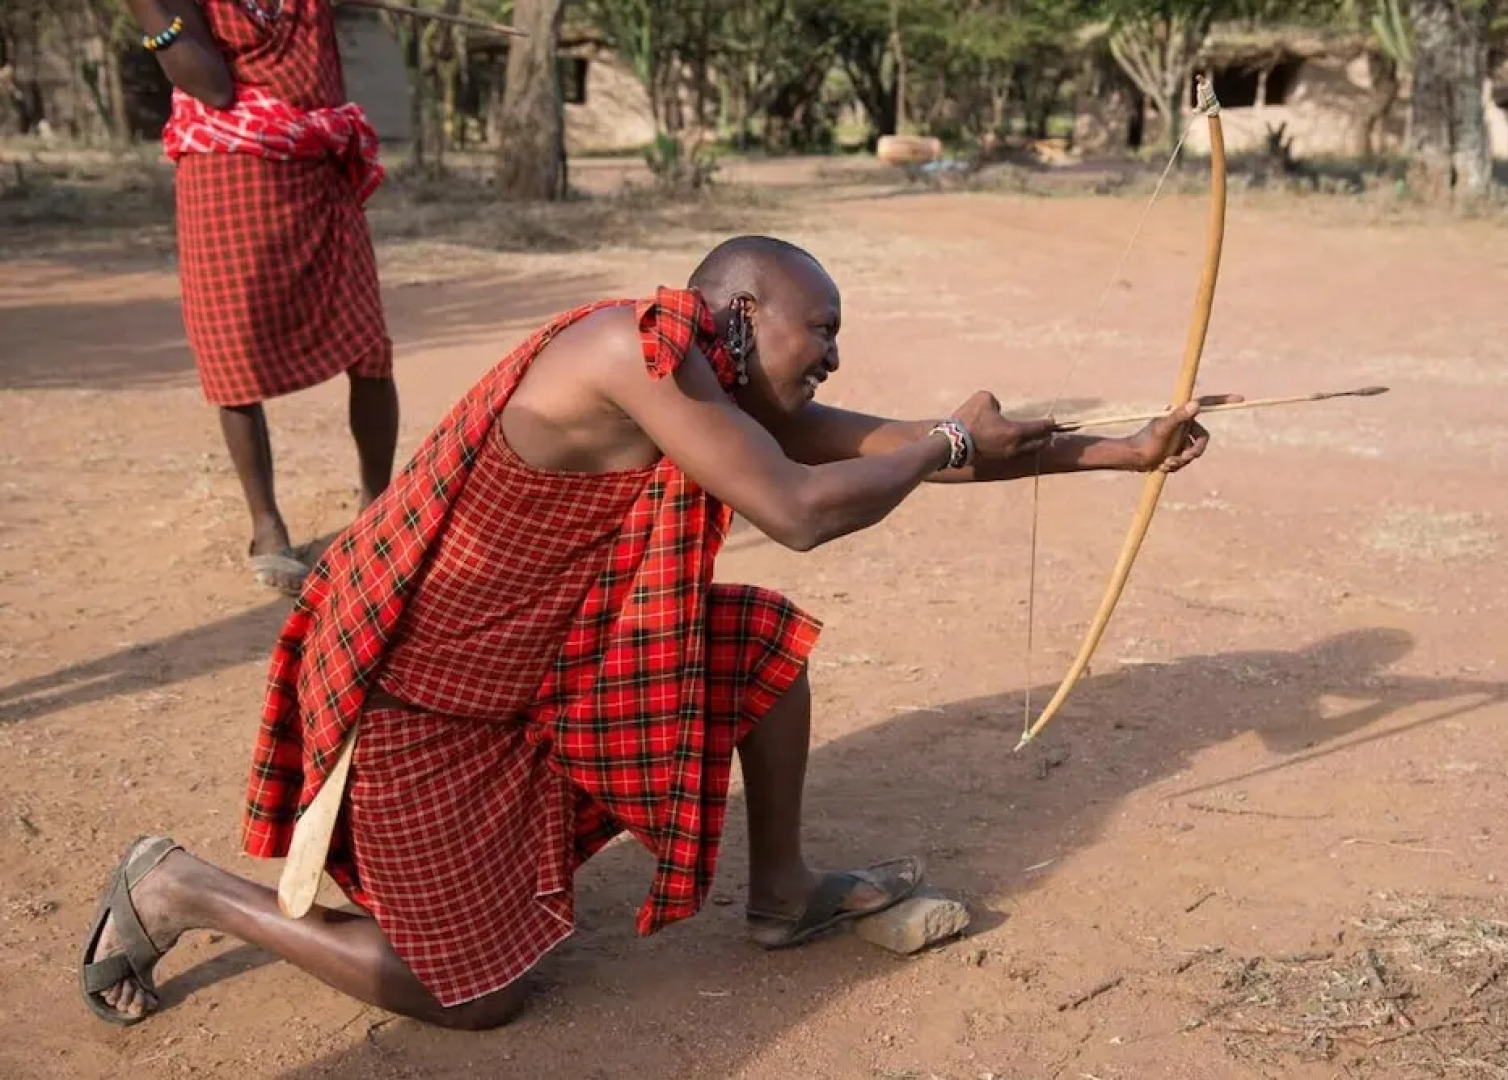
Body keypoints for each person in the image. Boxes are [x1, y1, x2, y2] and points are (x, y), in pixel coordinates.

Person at [78, 236, 1229, 1031]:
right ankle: (183, 888)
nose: (830, 358)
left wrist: (1122, 452)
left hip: (539, 679)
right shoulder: (635, 355)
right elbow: (806, 506)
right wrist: (946, 444)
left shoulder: (711, 385)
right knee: (475, 999)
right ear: (739, 316)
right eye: (818, 332)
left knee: (754, 648)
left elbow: (889, 443)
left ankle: (783, 895)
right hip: (418, 709)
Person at [125, 0, 400, 594]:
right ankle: (266, 525)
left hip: (318, 168)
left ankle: (378, 510)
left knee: (370, 346)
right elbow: (213, 88)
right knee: (233, 354)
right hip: (228, 176)